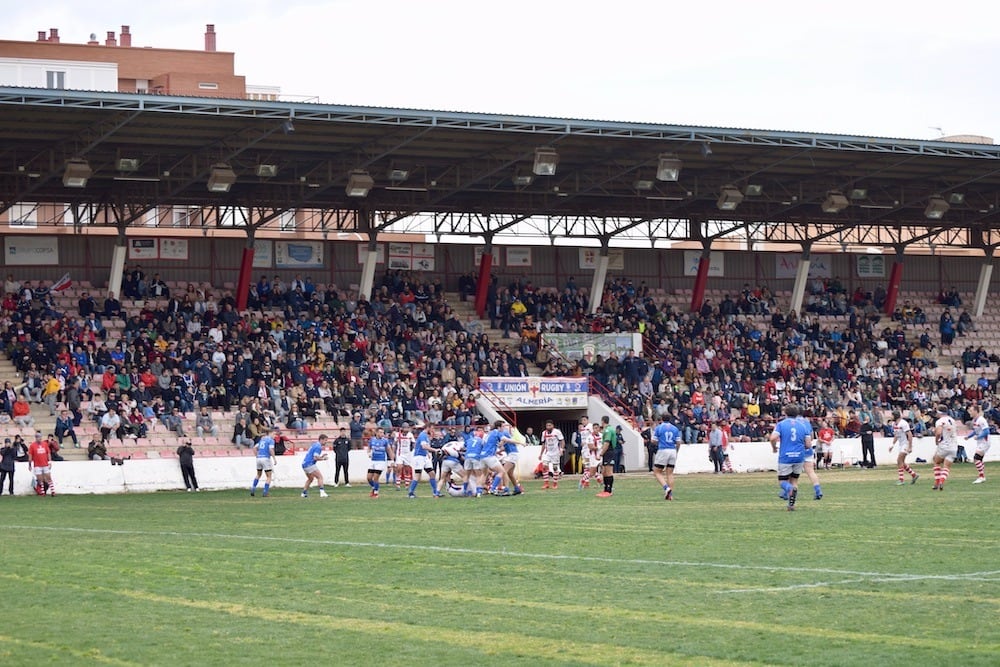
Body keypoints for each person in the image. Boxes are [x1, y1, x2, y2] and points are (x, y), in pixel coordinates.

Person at [769, 404, 812, 511]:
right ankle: (791, 505)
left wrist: (774, 447)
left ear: (785, 413)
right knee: (794, 480)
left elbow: (773, 438)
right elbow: (808, 444)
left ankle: (789, 489)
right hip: (799, 457)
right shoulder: (803, 426)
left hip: (786, 456)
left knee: (782, 481)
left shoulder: (781, 424)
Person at [407, 423, 441, 498]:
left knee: (432, 473)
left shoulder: (425, 436)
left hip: (424, 456)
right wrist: (434, 450)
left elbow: (423, 446)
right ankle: (410, 493)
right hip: (419, 457)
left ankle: (435, 492)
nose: (433, 430)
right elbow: (424, 446)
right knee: (417, 475)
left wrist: (427, 453)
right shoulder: (422, 435)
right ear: (428, 428)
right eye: (432, 428)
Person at [652, 416, 682, 500]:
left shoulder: (659, 428)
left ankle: (666, 488)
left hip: (663, 450)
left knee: (657, 471)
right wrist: (677, 451)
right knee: (670, 473)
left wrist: (660, 441)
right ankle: (670, 495)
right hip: (672, 450)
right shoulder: (675, 428)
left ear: (661, 419)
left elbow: (653, 440)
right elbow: (678, 442)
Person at [888, 410, 919, 485]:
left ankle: (901, 480)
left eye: (892, 415)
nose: (890, 417)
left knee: (899, 460)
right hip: (901, 444)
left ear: (895, 416)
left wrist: (910, 446)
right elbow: (896, 435)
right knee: (901, 462)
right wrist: (892, 445)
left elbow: (910, 435)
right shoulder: (894, 424)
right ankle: (914, 475)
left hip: (906, 443)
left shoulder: (903, 423)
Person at [932, 405, 959, 491]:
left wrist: (936, 440)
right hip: (954, 446)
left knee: (936, 461)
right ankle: (942, 481)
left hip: (944, 445)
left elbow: (939, 432)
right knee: (946, 466)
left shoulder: (940, 421)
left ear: (939, 412)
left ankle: (937, 482)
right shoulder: (952, 420)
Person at [365, 426, 394, 498]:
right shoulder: (372, 440)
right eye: (380, 432)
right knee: (369, 478)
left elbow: (389, 450)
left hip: (381, 461)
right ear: (377, 433)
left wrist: (392, 460)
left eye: (383, 432)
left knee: (375, 477)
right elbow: (369, 448)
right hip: (373, 461)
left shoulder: (385, 441)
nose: (382, 434)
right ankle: (374, 487)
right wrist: (369, 453)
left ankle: (376, 492)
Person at [250, 427, 277, 497]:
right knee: (269, 476)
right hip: (265, 458)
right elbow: (271, 449)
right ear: (270, 433)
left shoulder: (262, 440)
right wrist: (274, 458)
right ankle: (265, 492)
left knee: (258, 474)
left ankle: (253, 488)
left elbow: (254, 448)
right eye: (274, 434)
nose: (275, 436)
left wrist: (257, 456)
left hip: (259, 459)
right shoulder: (270, 440)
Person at [967, 404, 990, 484]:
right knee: (979, 459)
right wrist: (968, 436)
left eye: (971, 410)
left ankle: (981, 476)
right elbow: (975, 431)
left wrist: (979, 437)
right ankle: (982, 475)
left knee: (976, 458)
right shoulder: (975, 421)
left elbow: (986, 431)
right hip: (981, 442)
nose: (970, 412)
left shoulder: (981, 420)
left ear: (976, 411)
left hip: (984, 442)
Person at [301, 434, 329, 498]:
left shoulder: (315, 444)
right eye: (325, 440)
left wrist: (321, 456)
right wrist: (323, 459)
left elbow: (313, 456)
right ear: (321, 440)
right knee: (320, 477)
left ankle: (304, 493)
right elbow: (315, 458)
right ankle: (322, 492)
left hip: (304, 464)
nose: (326, 442)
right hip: (309, 464)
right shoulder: (318, 447)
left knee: (310, 479)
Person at [539, 419, 565, 489]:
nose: (548, 427)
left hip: (555, 452)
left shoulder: (557, 432)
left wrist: (561, 450)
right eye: (547, 425)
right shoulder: (544, 433)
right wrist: (541, 454)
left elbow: (562, 441)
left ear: (552, 426)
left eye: (549, 425)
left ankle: (555, 483)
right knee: (544, 466)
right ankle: (546, 483)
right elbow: (543, 444)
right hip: (547, 453)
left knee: (555, 468)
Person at [596, 416, 618, 498]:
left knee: (608, 471)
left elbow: (607, 443)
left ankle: (609, 490)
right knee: (604, 471)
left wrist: (601, 453)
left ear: (602, 421)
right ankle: (605, 489)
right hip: (608, 451)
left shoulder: (608, 430)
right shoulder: (608, 429)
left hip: (609, 451)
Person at [28, 431, 55, 496]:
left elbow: (48, 453)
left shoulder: (45, 444)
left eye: (40, 437)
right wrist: (29, 464)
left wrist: (50, 462)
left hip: (45, 464)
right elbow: (30, 455)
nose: (39, 438)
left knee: (48, 477)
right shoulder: (32, 446)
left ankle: (53, 491)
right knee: (40, 479)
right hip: (37, 465)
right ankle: (42, 492)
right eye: (38, 437)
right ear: (36, 438)